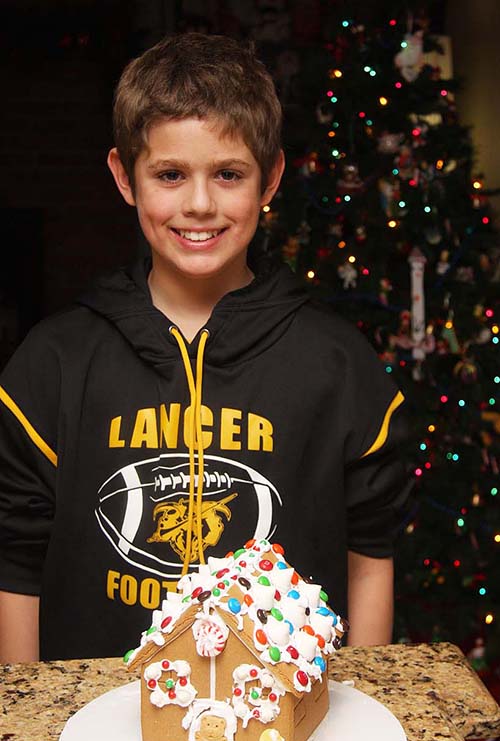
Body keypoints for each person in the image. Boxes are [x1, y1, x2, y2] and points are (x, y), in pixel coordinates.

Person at [0, 33, 410, 663]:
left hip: (284, 737)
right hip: (95, 736)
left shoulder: (337, 365)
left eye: (228, 174)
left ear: (270, 178)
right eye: (170, 174)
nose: (199, 204)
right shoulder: (52, 363)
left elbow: (370, 556)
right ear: (124, 177)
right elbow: (17, 563)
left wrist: (356, 709)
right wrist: (26, 731)